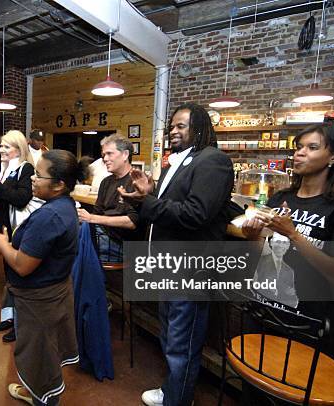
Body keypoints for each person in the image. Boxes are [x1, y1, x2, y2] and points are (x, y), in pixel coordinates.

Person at [119, 103, 234, 406]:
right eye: (172, 126)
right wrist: (142, 198)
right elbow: (165, 209)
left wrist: (147, 201)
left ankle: (178, 400)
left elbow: (196, 214)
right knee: (170, 335)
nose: (173, 130)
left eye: (181, 125)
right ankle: (175, 390)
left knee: (182, 342)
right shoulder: (176, 164)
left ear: (201, 127)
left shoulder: (214, 160)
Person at [0, 149, 88, 406]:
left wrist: (3, 245)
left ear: (59, 184)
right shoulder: (63, 205)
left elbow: (24, 266)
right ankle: (38, 392)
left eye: (38, 175)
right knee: (45, 351)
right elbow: (37, 251)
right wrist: (6, 247)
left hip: (40, 300)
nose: (33, 180)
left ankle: (44, 399)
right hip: (53, 293)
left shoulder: (50, 215)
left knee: (41, 355)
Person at [243, 123, 334, 326]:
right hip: (260, 309)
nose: (299, 154)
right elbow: (261, 255)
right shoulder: (281, 198)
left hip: (303, 322)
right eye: (298, 147)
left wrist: (294, 235)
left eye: (312, 148)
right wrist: (252, 235)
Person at [0, 130, 35, 343]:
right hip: (3, 229)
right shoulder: (4, 169)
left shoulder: (25, 169)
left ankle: (21, 324)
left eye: (6, 147)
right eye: (1, 146)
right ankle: (11, 318)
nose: (1, 150)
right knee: (9, 276)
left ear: (19, 149)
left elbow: (21, 198)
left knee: (18, 276)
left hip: (17, 230)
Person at [77, 134, 142, 263]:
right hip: (101, 235)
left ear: (125, 155)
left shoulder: (138, 182)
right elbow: (97, 212)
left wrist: (91, 218)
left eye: (109, 154)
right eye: (103, 155)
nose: (105, 159)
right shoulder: (106, 182)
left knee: (70, 244)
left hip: (121, 245)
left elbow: (132, 222)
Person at [251, 233, 299, 308]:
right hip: (255, 303)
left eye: (284, 243)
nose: (281, 246)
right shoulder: (262, 258)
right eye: (278, 242)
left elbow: (292, 299)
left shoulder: (289, 271)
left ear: (287, 246)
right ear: (271, 243)